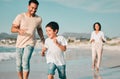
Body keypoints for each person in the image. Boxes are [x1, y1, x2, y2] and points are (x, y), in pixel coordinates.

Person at [11, 0, 45, 79]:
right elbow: (12, 29)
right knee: (18, 64)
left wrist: (43, 39)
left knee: (25, 60)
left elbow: (39, 29)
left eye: (35, 8)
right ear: (28, 6)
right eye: (32, 8)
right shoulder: (20, 16)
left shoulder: (38, 19)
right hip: (19, 43)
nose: (33, 10)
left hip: (30, 42)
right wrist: (19, 30)